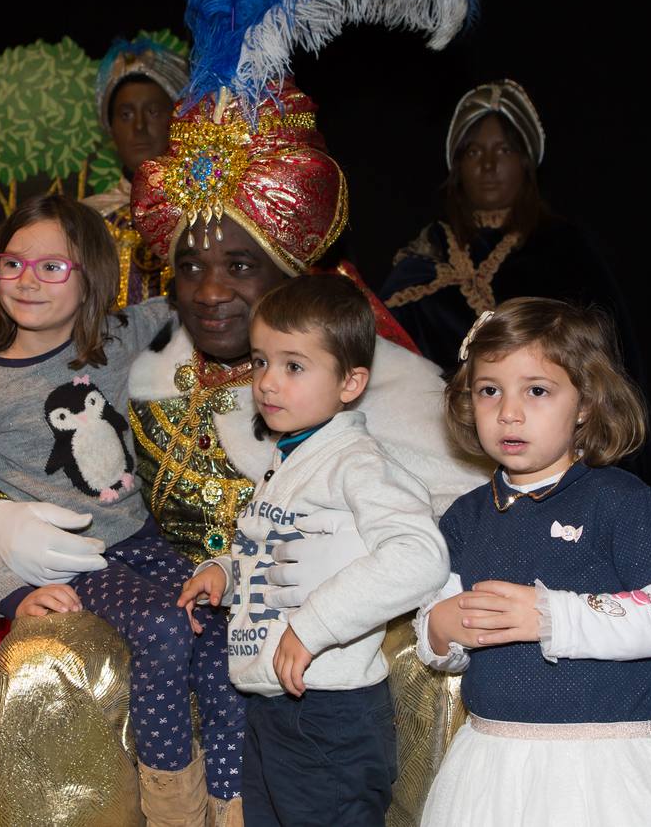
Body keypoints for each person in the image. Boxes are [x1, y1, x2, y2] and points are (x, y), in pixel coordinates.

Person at [0, 0, 481, 826]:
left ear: (290, 274)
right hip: (173, 618)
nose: (209, 290)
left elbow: (446, 528)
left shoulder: (380, 389)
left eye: (240, 267)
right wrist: (0, 522)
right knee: (42, 667)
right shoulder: (142, 376)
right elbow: (53, 461)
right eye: (191, 263)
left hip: (314, 659)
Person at [413, 297, 651, 826]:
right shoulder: (466, 517)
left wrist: (553, 616)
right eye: (489, 390)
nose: (509, 412)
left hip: (606, 767)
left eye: (537, 391)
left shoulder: (622, 503)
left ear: (584, 404)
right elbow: (443, 629)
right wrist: (440, 632)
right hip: (491, 767)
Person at [178, 274, 449, 825]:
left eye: (293, 366)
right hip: (275, 705)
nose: (268, 383)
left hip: (329, 711)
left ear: (350, 383)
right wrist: (226, 574)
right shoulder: (292, 458)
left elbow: (420, 556)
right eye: (260, 362)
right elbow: (283, 550)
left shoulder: (357, 463)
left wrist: (314, 625)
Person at [0, 193, 169, 622]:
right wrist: (12, 596)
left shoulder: (113, 342)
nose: (27, 281)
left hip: (144, 541)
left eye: (51, 267)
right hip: (70, 570)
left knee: (217, 634)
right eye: (12, 263)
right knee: (164, 626)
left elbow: (176, 307)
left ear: (91, 281)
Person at [381, 80, 641, 382]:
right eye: (474, 153)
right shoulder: (428, 252)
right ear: (458, 168)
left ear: (525, 162)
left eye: (503, 150)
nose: (489, 165)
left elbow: (606, 357)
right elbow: (383, 348)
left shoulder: (562, 247)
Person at [84, 30, 190, 307]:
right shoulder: (86, 222)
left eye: (153, 112)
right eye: (126, 114)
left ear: (176, 120)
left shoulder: (205, 214)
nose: (139, 128)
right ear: (111, 128)